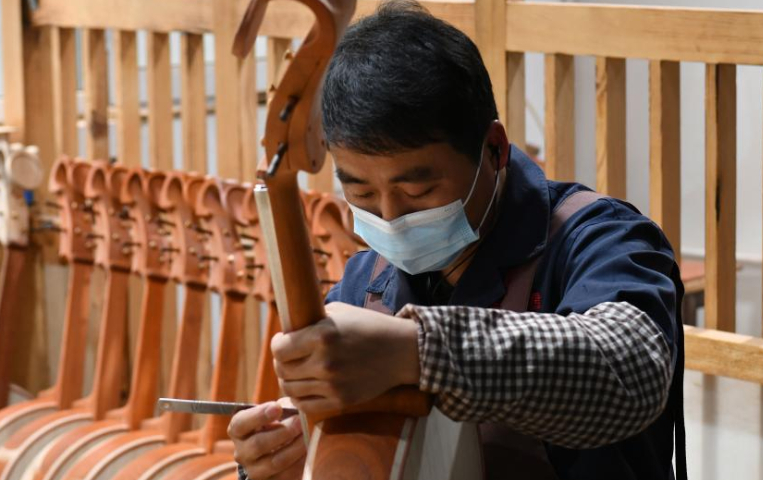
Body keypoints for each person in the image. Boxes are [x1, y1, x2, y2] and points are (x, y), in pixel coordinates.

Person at [228, 1, 686, 479]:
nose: (390, 217)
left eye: (418, 189)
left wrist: (418, 351)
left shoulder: (600, 239)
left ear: (493, 149)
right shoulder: (368, 282)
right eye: (360, 191)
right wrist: (280, 457)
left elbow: (630, 368)